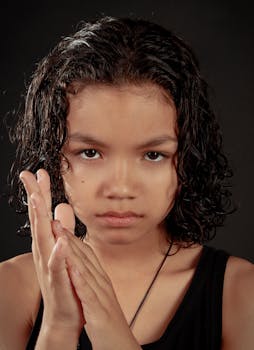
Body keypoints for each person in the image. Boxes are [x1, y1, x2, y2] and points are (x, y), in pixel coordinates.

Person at [0, 16, 253, 350]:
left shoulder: (241, 292)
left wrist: (114, 338)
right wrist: (59, 327)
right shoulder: (10, 288)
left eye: (153, 155)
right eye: (89, 152)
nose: (119, 189)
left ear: (188, 158)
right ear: (52, 156)